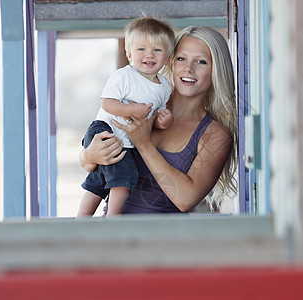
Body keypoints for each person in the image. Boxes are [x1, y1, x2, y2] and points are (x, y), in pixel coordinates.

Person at [79, 26, 237, 214]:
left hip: (162, 240)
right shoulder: (143, 103)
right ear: (170, 61)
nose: (189, 69)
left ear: (215, 69)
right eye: (181, 59)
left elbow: (185, 199)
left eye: (201, 62)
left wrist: (144, 144)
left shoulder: (216, 135)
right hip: (112, 235)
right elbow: (92, 165)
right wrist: (89, 157)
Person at [77, 17, 175, 218]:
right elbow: (107, 103)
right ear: (129, 54)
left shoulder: (165, 86)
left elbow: (153, 116)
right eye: (141, 49)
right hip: (106, 130)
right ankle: (113, 219)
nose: (149, 54)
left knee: (99, 179)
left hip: (126, 141)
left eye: (157, 50)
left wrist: (163, 121)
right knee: (125, 176)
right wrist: (132, 111)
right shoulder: (124, 76)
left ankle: (81, 220)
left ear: (167, 57)